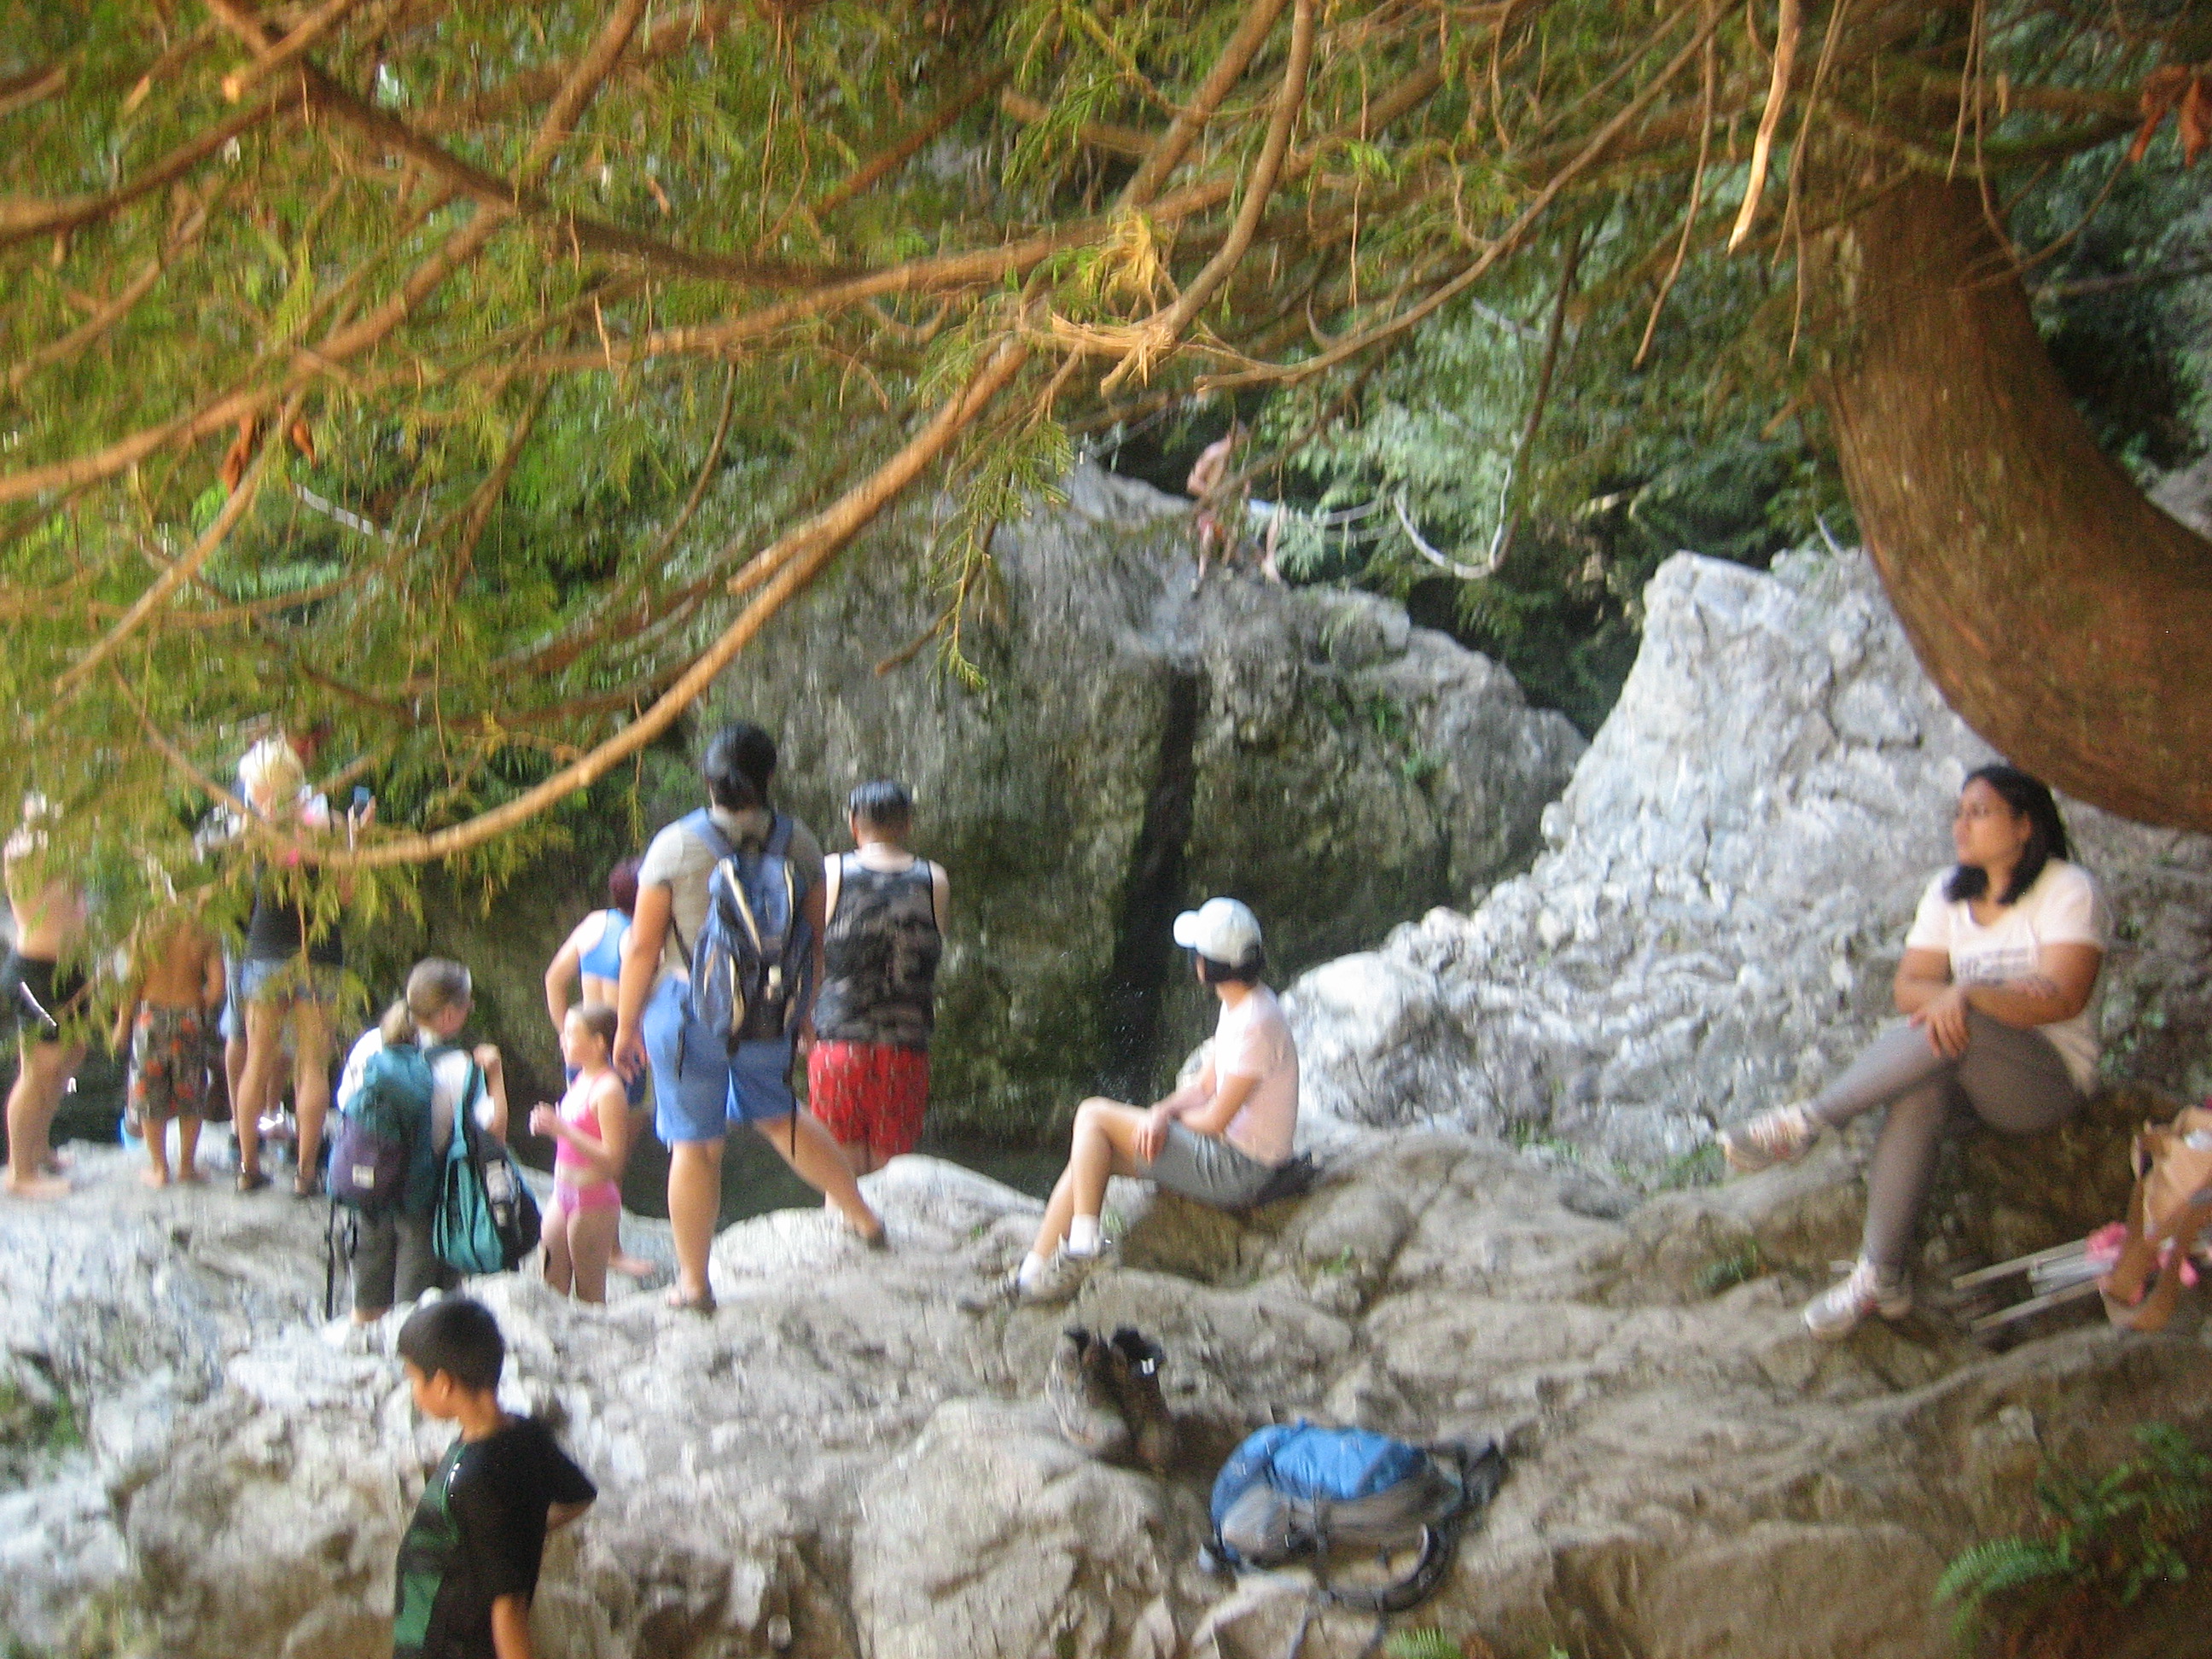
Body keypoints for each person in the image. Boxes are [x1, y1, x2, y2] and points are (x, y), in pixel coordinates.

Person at [1719, 764, 2109, 1339]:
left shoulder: (2069, 890)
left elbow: (2061, 997)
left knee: (1960, 1018)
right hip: (1970, 1074)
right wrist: (1962, 996)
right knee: (1919, 1089)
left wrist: (1967, 992)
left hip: (2045, 1081)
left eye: (1979, 813)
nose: (1961, 825)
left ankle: (1811, 1120)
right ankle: (1880, 1275)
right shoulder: (1948, 893)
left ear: (2025, 825)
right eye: (1959, 813)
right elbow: (1909, 989)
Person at [613, 722, 884, 1314]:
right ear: (769, 777)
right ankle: (863, 1217)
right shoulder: (800, 843)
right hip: (770, 1008)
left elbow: (642, 948)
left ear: (708, 781)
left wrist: (626, 1026)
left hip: (689, 1013)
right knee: (779, 1114)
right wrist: (804, 1012)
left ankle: (694, 1284)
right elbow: (814, 940)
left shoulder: (674, 847)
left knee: (696, 1146)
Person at [1016, 896, 1299, 1305]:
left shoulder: (1257, 1023)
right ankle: (1029, 1276)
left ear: (1206, 966)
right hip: (1228, 1153)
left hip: (1240, 1169)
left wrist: (1164, 1122)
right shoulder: (1242, 1004)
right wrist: (1160, 1111)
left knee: (1093, 1115)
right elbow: (1204, 1087)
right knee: (1089, 1160)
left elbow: (1215, 1119)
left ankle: (1085, 1249)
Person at [392, 1297, 595, 1659]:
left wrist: (505, 1537)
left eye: (414, 1378)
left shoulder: (473, 1481)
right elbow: (578, 1496)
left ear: (443, 1383)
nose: (413, 1392)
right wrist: (516, 1533)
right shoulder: (525, 1433)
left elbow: (509, 1610)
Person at [233, 736, 370, 1196]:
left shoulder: (254, 829)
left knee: (257, 1061)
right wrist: (354, 839)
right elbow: (345, 896)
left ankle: (248, 1167)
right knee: (312, 1065)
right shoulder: (328, 826)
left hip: (266, 952)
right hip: (321, 953)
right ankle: (306, 1173)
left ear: (263, 785)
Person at [339, 960, 510, 1324]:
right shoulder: (458, 1066)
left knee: (367, 1305)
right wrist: (495, 1076)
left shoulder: (369, 1045)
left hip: (367, 1189)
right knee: (416, 1314)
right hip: (424, 1200)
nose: (470, 1010)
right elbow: (493, 1134)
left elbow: (344, 1104)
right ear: (448, 1015)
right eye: (467, 1005)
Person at [809, 780, 949, 1177]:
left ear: (854, 823)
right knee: (891, 1179)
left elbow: (809, 952)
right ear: (907, 824)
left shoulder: (832, 871)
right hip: (905, 1049)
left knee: (840, 1179)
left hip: (837, 1045)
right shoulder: (933, 879)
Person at [542, 859, 652, 1278]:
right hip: (625, 1060)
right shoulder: (645, 938)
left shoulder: (593, 925)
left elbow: (554, 979)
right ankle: (610, 1249)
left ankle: (577, 1234)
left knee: (578, 1144)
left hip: (586, 1056)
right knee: (613, 1157)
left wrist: (568, 1035)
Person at [3, 795, 88, 1199]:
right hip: (36, 971)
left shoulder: (69, 848)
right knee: (40, 1068)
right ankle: (20, 1173)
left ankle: (39, 1147)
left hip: (72, 970)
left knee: (71, 1056)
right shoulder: (26, 849)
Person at [110, 892, 226, 1188]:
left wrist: (122, 1026)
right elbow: (216, 990)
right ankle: (186, 1166)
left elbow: (132, 983)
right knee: (191, 1092)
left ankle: (160, 1169)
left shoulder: (146, 928)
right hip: (189, 1018)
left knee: (149, 1093)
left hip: (151, 1019)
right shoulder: (205, 930)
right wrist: (195, 1007)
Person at [527, 1005, 632, 1304]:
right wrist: (549, 1125)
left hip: (592, 1199)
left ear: (598, 1043)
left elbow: (614, 1159)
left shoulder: (608, 1090)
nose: (562, 1040)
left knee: (588, 1294)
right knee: (550, 1284)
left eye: (571, 1034)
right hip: (561, 1193)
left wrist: (562, 1129)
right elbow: (573, 1136)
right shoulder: (580, 1080)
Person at [1185, 426, 1284, 584]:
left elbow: (1244, 486)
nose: (1240, 446)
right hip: (1220, 507)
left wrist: (1243, 489)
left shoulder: (1238, 458)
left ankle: (1270, 560)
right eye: (1239, 442)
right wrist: (1218, 496)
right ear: (1229, 437)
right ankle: (1218, 568)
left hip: (1238, 505)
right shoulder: (1213, 454)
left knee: (1279, 513)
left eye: (1243, 443)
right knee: (1244, 540)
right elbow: (1192, 483)